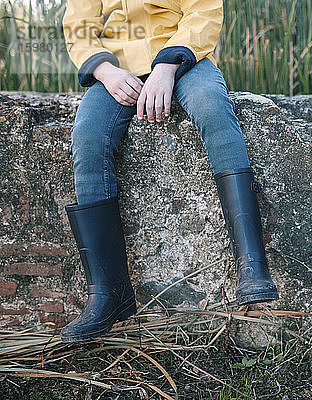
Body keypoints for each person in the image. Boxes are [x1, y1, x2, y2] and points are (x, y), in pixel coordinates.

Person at [61, 0, 279, 342]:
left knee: (212, 106)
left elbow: (204, 11)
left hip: (184, 58)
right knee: (87, 137)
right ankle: (108, 294)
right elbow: (79, 27)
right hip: (116, 72)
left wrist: (167, 65)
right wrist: (106, 71)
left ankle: (253, 266)